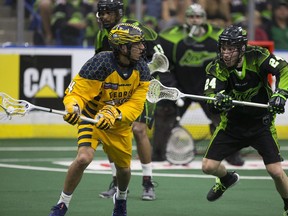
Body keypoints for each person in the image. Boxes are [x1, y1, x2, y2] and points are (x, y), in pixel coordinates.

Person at [48, 22, 150, 216]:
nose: (142, 48)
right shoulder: (100, 63)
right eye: (137, 44)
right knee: (83, 158)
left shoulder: (143, 69)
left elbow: (136, 106)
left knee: (124, 171)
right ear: (122, 47)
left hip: (119, 126)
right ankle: (62, 204)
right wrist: (73, 108)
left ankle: (120, 199)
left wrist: (115, 113)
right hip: (91, 117)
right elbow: (76, 93)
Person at [202, 25, 288, 215]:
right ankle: (226, 179)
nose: (225, 53)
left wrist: (280, 94)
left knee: (275, 172)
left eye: (230, 48)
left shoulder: (258, 56)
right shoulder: (217, 67)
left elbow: (284, 69)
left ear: (242, 48)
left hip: (261, 124)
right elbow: (210, 97)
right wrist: (218, 101)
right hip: (232, 125)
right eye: (223, 48)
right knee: (208, 167)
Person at [152, 3, 244, 166]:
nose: (195, 20)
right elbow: (164, 66)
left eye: (198, 16)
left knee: (223, 117)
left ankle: (231, 154)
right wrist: (171, 88)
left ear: (204, 18)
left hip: (208, 87)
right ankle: (158, 153)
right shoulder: (170, 36)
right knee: (164, 113)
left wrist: (219, 88)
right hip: (179, 86)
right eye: (191, 16)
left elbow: (226, 64)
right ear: (185, 18)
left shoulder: (218, 37)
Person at [94, 0, 164, 200]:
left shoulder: (138, 29)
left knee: (139, 129)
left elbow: (159, 59)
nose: (104, 16)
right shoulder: (101, 35)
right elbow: (100, 62)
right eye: (101, 13)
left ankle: (148, 182)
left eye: (108, 12)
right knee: (111, 128)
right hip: (117, 86)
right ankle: (117, 182)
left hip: (144, 84)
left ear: (119, 13)